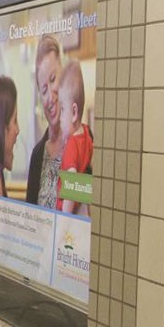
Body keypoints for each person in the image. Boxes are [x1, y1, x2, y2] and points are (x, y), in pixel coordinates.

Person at [26, 35, 66, 207]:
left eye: (53, 79)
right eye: (43, 90)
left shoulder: (84, 143)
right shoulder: (37, 155)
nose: (50, 96)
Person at [55, 63, 93, 214]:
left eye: (63, 109)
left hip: (66, 212)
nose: (60, 117)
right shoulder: (86, 135)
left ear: (74, 112)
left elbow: (71, 180)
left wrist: (65, 219)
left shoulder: (72, 144)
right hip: (82, 209)